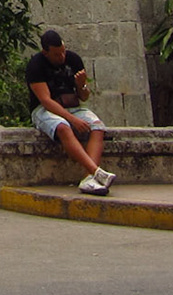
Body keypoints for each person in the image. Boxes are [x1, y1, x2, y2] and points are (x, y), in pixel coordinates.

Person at [26, 28, 116, 195]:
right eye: (56, 55)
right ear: (45, 53)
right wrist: (72, 120)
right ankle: (96, 172)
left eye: (63, 52)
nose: (62, 57)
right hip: (45, 110)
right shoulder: (36, 65)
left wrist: (81, 84)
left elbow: (84, 96)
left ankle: (89, 178)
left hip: (73, 106)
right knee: (63, 127)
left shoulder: (73, 59)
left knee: (97, 127)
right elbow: (45, 101)